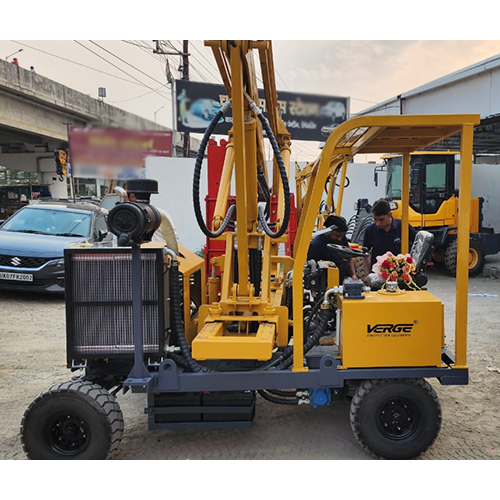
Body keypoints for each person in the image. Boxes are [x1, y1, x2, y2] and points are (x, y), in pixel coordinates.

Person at [362, 198, 417, 282]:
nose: (378, 223)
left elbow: (417, 245)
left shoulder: (404, 227)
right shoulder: (370, 230)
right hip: (378, 276)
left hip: (401, 276)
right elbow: (365, 253)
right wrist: (367, 275)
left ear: (390, 214)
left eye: (381, 219)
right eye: (375, 220)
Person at [127, 184, 180, 255]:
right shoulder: (160, 214)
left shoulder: (124, 216)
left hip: (131, 258)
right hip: (159, 258)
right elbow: (174, 240)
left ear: (132, 196)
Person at [307, 214, 358, 281]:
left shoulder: (342, 239)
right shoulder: (316, 245)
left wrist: (353, 275)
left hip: (344, 277)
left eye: (342, 236)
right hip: (325, 280)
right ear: (328, 231)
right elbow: (312, 267)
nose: (340, 239)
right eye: (337, 235)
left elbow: (349, 257)